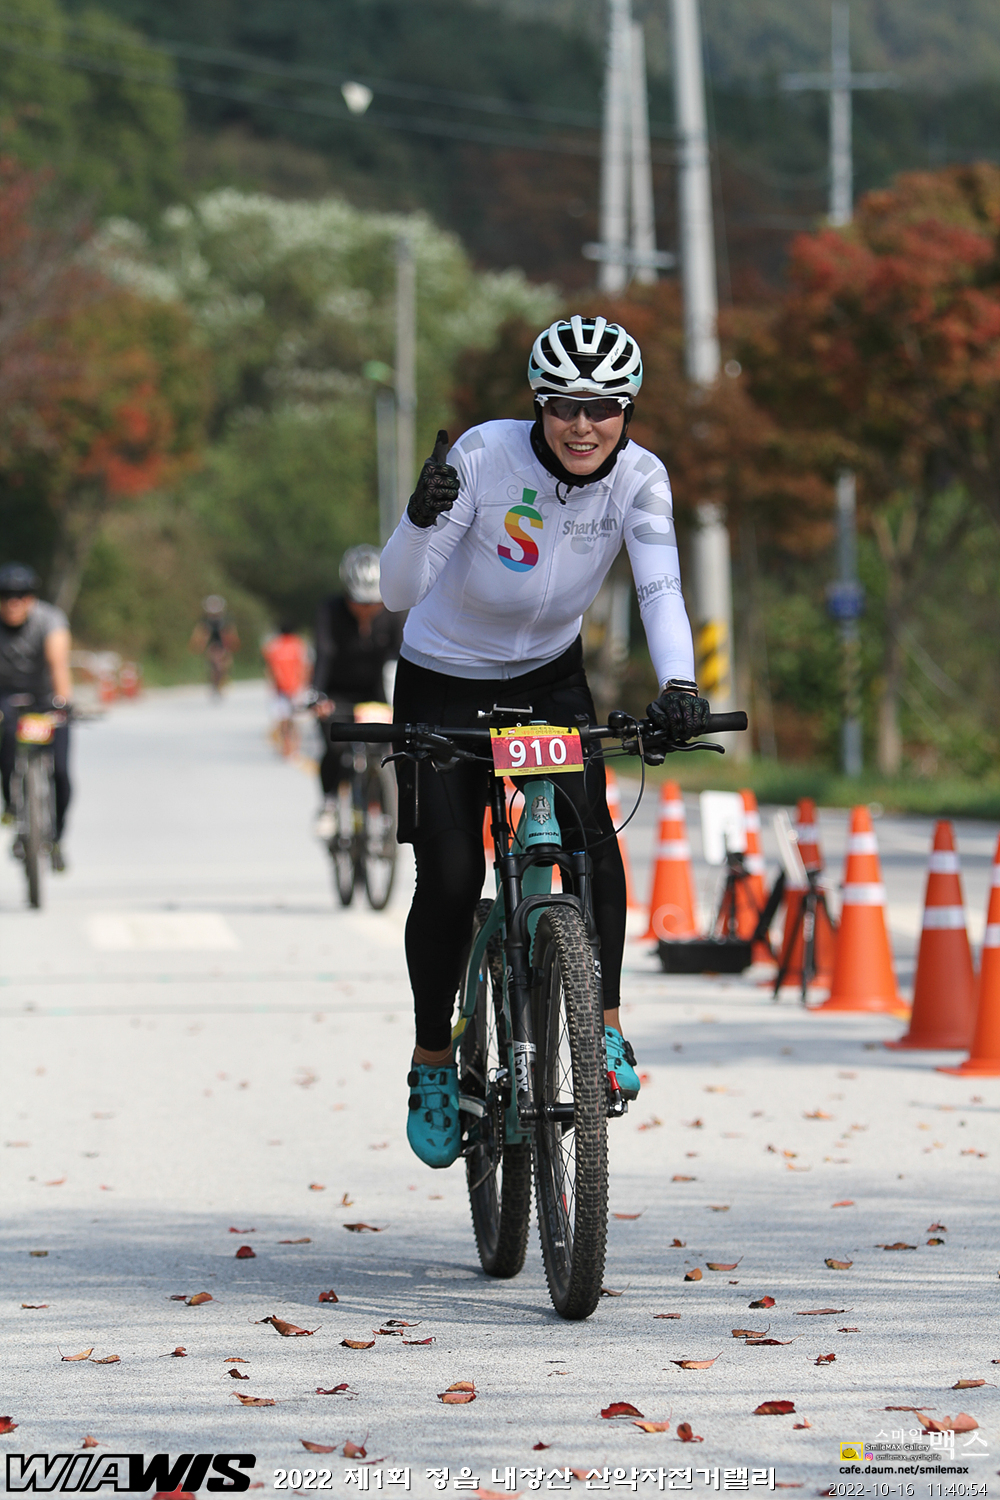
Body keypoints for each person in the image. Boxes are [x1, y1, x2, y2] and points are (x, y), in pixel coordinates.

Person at [379, 315, 710, 1168]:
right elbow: (397, 593)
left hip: (546, 680)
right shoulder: (484, 457)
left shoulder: (639, 477)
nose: (582, 425)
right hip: (443, 677)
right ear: (538, 404)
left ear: (628, 410)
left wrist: (679, 686)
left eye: (603, 407)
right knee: (452, 873)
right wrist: (417, 520)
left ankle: (605, 1026)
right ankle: (432, 1059)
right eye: (564, 405)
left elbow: (661, 590)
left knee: (591, 840)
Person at [312, 545, 403, 838]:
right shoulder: (330, 612)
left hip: (376, 693)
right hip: (337, 694)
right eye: (358, 602)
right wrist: (317, 695)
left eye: (373, 603)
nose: (366, 609)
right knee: (334, 746)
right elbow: (323, 654)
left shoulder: (394, 616)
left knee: (392, 745)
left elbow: (401, 659)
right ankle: (328, 803)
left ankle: (387, 806)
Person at [0, 562, 74, 871]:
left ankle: (56, 836)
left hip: (46, 698)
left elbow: (58, 662)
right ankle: (12, 806)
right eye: (6, 595)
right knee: (6, 742)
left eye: (21, 595)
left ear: (31, 598)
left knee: (61, 772)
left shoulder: (49, 619)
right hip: (6, 697)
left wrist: (62, 702)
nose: (13, 602)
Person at [262, 623, 310, 757]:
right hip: (297, 687)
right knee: (295, 718)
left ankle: (286, 746)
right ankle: (296, 746)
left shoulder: (273, 645)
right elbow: (305, 666)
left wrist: (273, 685)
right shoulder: (299, 644)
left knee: (283, 719)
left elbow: (269, 668)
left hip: (280, 688)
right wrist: (304, 684)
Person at [190, 595, 239, 696]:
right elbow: (200, 634)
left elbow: (231, 633)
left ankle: (223, 681)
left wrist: (232, 645)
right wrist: (199, 645)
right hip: (212, 646)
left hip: (223, 646)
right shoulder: (205, 621)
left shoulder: (225, 620)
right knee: (213, 664)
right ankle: (214, 681)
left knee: (226, 664)